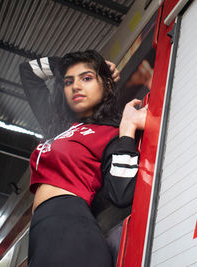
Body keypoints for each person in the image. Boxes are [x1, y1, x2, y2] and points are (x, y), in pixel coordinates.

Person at [19, 50, 147, 266]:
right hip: (42, 234)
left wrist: (126, 131)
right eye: (69, 82)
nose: (76, 86)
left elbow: (122, 193)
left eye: (87, 79)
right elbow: (28, 71)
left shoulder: (111, 133)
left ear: (106, 85)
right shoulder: (56, 126)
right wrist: (80, 66)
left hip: (72, 230)